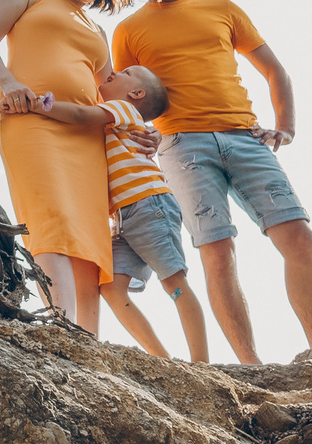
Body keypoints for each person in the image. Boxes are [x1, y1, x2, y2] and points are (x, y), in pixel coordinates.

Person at [110, 0, 312, 363]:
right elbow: (126, 96)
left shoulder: (222, 9)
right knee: (217, 252)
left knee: (299, 237)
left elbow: (274, 70)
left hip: (244, 136)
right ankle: (252, 368)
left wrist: (284, 128)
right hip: (181, 146)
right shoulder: (128, 30)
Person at [0, 0, 135, 334]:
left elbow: (107, 90)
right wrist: (9, 83)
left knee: (90, 237)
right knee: (50, 220)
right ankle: (62, 328)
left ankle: (87, 344)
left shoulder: (97, 31)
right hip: (29, 119)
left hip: (86, 138)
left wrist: (133, 129)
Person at [26, 65, 211, 361]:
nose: (114, 71)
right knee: (111, 289)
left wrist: (40, 104)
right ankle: (163, 360)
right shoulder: (119, 117)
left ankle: (202, 364)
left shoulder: (122, 109)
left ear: (135, 93)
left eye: (126, 72)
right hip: (125, 217)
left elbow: (80, 116)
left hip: (149, 205)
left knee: (175, 283)